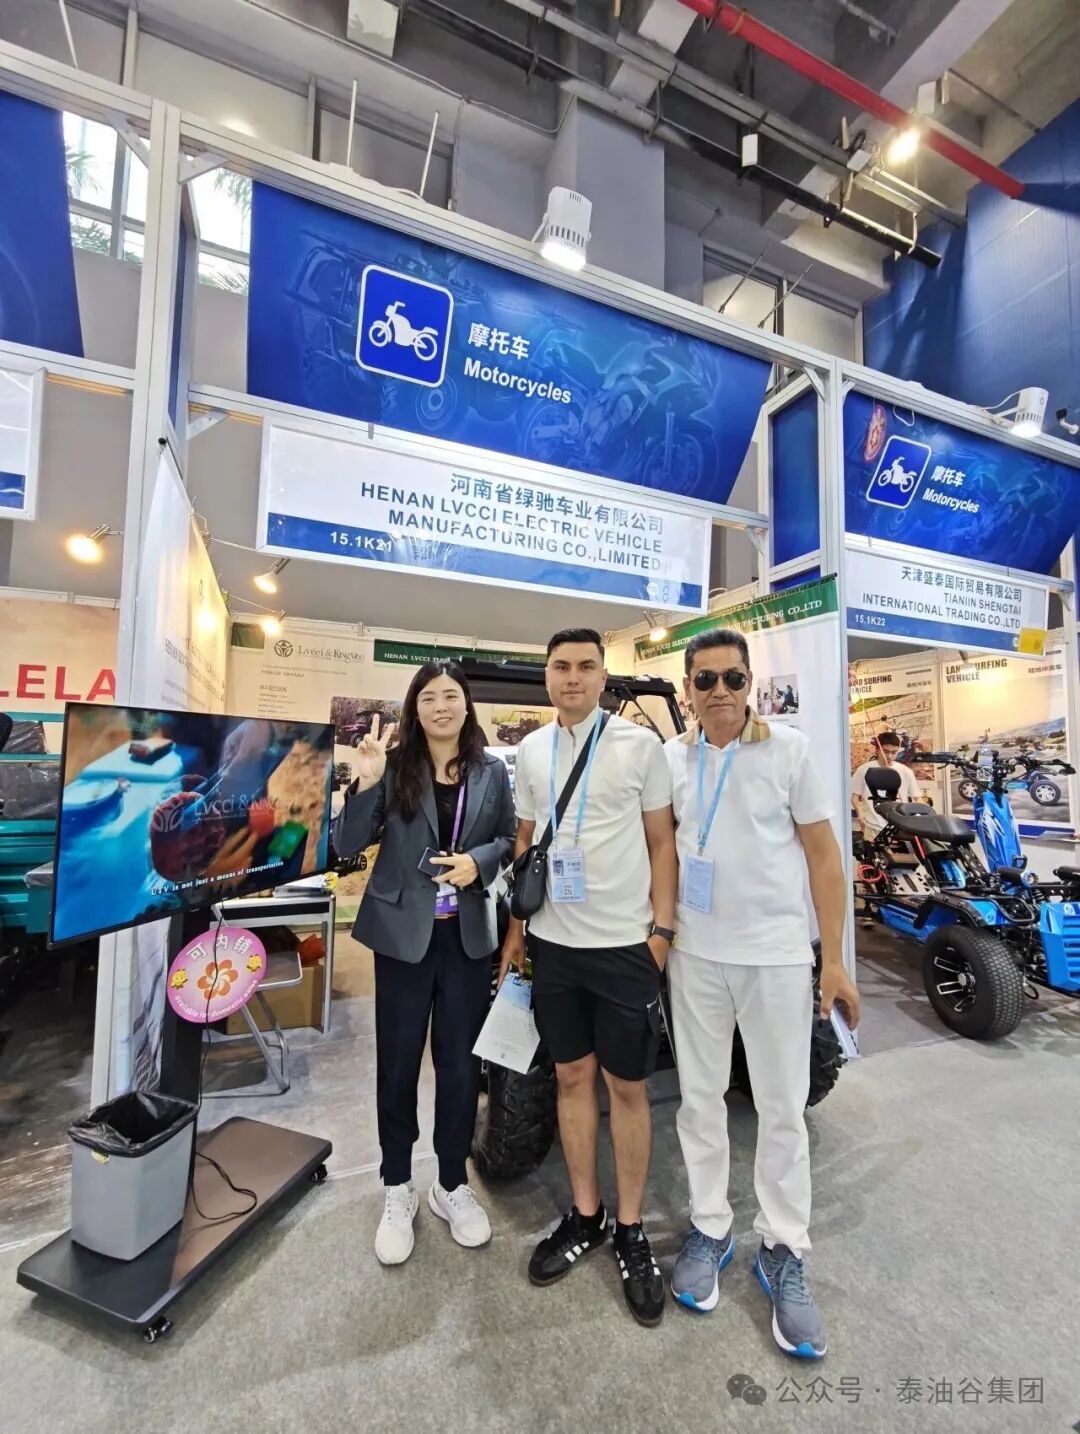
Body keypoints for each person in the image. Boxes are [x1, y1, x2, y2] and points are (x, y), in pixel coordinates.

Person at [664, 628, 859, 1360]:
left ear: (750, 683)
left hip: (775, 958)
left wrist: (834, 961)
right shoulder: (670, 759)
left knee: (781, 1108)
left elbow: (824, 859)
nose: (719, 691)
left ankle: (782, 1248)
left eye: (733, 678)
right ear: (687, 687)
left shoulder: (790, 751)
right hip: (694, 956)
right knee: (698, 1100)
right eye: (705, 679)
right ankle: (709, 1226)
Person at [500, 628, 677, 1327]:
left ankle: (630, 1228)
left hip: (625, 947)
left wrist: (661, 935)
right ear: (547, 677)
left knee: (627, 1087)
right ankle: (585, 1214)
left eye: (585, 667)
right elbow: (525, 841)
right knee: (571, 1078)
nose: (572, 677)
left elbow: (661, 842)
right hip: (554, 947)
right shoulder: (530, 750)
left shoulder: (639, 747)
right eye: (560, 667)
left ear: (604, 676)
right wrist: (518, 931)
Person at [333, 662, 515, 1266]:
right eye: (429, 697)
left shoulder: (490, 771)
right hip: (403, 939)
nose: (441, 706)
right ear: (415, 708)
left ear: (466, 705)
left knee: (460, 1068)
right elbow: (347, 844)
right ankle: (397, 1184)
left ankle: (451, 1184)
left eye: (451, 696)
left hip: (466, 939)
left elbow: (508, 838)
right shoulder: (395, 767)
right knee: (399, 1063)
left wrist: (478, 862)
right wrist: (365, 783)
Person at [851, 730, 924, 843]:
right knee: (873, 854)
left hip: (899, 827)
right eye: (886, 751)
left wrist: (923, 815)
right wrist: (860, 815)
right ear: (877, 750)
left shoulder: (906, 771)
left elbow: (918, 798)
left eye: (894, 752)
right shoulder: (863, 770)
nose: (890, 756)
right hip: (873, 827)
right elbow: (855, 797)